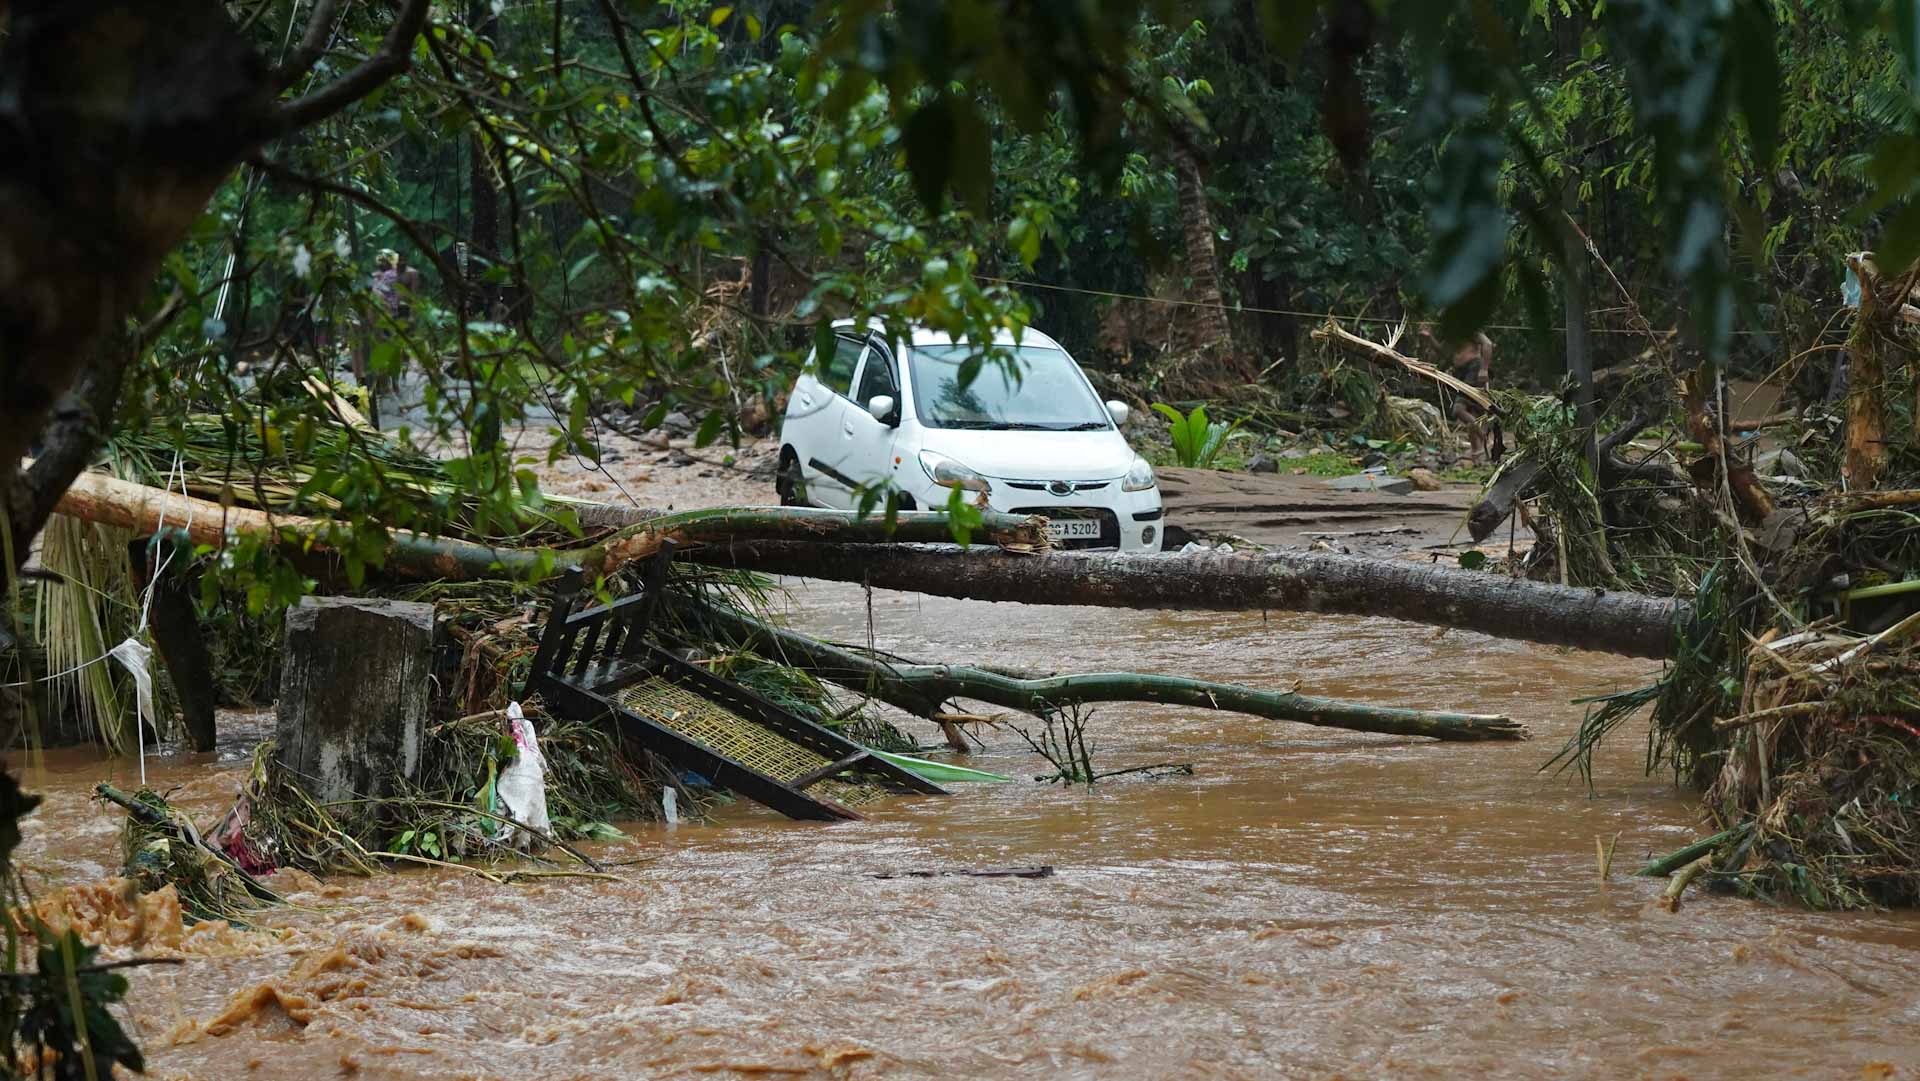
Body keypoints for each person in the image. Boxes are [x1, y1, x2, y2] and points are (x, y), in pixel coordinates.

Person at [1420, 324, 1495, 462]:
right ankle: (1476, 451)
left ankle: (1486, 438)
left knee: (1459, 410)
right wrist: (1430, 338)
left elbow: (1487, 344)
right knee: (1471, 413)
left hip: (1474, 367)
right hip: (1462, 372)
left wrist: (1484, 369)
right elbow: (1444, 352)